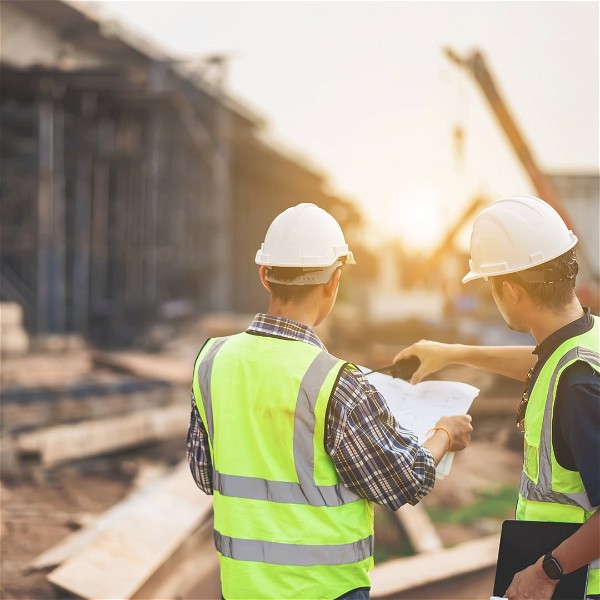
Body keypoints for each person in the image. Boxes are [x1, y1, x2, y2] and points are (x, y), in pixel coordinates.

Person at [187, 203, 473, 600]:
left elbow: (205, 475)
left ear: (264, 276)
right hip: (325, 591)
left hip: (242, 589)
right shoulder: (333, 382)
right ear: (334, 280)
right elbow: (403, 480)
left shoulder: (212, 360)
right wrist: (445, 432)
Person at [393, 195, 599, 600]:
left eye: (489, 285)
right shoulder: (585, 342)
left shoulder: (578, 387)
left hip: (580, 586)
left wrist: (547, 571)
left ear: (510, 290)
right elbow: (543, 362)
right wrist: (454, 353)